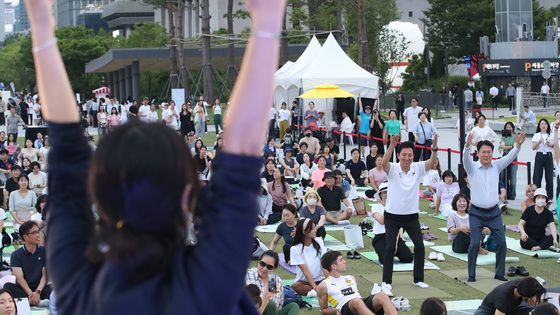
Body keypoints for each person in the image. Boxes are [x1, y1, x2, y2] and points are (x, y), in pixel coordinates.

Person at [26, 0, 287, 313]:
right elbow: (242, 152)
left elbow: (67, 153)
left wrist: (40, 23)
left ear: (100, 196)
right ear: (186, 193)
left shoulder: (81, 286)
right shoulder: (210, 282)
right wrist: (267, 22)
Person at [463, 130, 525, 282]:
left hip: (494, 212)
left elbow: (509, 158)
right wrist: (466, 146)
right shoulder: (471, 168)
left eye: (489, 152)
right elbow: (465, 159)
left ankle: (499, 273)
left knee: (502, 242)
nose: (486, 155)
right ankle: (471, 275)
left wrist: (517, 145)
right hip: (476, 212)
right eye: (483, 152)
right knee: (475, 243)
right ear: (477, 153)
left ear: (492, 153)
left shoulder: (496, 165)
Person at [381, 134, 439, 288]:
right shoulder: (393, 168)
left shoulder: (417, 168)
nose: (407, 158)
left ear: (413, 155)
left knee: (419, 246)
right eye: (404, 155)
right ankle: (386, 282)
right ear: (399, 155)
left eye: (410, 155)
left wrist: (434, 147)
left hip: (411, 216)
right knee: (389, 247)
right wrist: (392, 145)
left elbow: (432, 162)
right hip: (392, 216)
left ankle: (418, 279)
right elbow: (384, 163)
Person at [317, 251, 397, 315]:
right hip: (344, 309)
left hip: (360, 303)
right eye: (341, 260)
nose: (345, 262)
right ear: (334, 266)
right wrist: (334, 311)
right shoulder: (323, 285)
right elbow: (324, 310)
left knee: (382, 295)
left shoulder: (351, 278)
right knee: (356, 301)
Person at [3, 221, 51, 305]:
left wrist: (37, 292)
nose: (38, 235)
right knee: (8, 286)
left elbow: (45, 275)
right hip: (24, 289)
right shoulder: (16, 255)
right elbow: (19, 278)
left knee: (55, 286)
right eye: (34, 233)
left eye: (38, 231)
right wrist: (31, 294)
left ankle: (28, 302)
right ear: (25, 237)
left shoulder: (44, 251)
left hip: (40, 289)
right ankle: (35, 301)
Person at [371, 182, 413, 267]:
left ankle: (395, 252)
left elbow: (400, 224)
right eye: (385, 193)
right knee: (386, 260)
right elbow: (382, 221)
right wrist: (389, 207)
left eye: (389, 192)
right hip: (381, 237)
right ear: (380, 195)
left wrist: (398, 239)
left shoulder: (396, 207)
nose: (387, 195)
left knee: (408, 258)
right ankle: (386, 252)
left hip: (395, 236)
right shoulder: (376, 207)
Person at [246, 251, 299, 315]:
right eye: (262, 264)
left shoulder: (277, 280)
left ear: (274, 269)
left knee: (293, 306)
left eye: (269, 267)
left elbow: (279, 305)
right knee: (271, 304)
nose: (265, 268)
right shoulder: (247, 276)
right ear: (259, 262)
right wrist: (265, 298)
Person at [290, 218, 326, 295]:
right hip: (305, 282)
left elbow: (324, 264)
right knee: (296, 287)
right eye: (312, 229)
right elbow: (305, 271)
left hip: (321, 279)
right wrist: (315, 287)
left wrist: (330, 281)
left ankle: (317, 291)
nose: (315, 230)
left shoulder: (319, 241)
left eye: (315, 227)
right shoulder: (295, 249)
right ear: (304, 232)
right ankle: (317, 291)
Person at [474, 277, 545, 315]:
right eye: (530, 298)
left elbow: (541, 290)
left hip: (513, 307)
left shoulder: (527, 283)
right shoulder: (503, 296)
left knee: (532, 311)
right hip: (489, 310)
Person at [532, 118, 554, 199]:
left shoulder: (551, 134)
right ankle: (538, 195)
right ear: (539, 126)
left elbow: (554, 146)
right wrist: (538, 142)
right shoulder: (536, 135)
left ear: (547, 125)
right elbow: (533, 148)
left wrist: (550, 145)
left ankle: (549, 196)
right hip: (539, 155)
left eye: (545, 124)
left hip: (548, 155)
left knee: (549, 177)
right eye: (542, 124)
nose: (544, 125)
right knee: (537, 177)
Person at [500, 122, 518, 200]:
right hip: (505, 156)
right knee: (504, 176)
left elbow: (515, 146)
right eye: (507, 127)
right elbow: (503, 147)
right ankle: (505, 194)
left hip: (513, 158)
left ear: (513, 128)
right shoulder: (503, 136)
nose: (508, 129)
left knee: (513, 178)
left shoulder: (515, 136)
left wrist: (508, 147)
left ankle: (512, 194)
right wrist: (511, 146)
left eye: (510, 127)